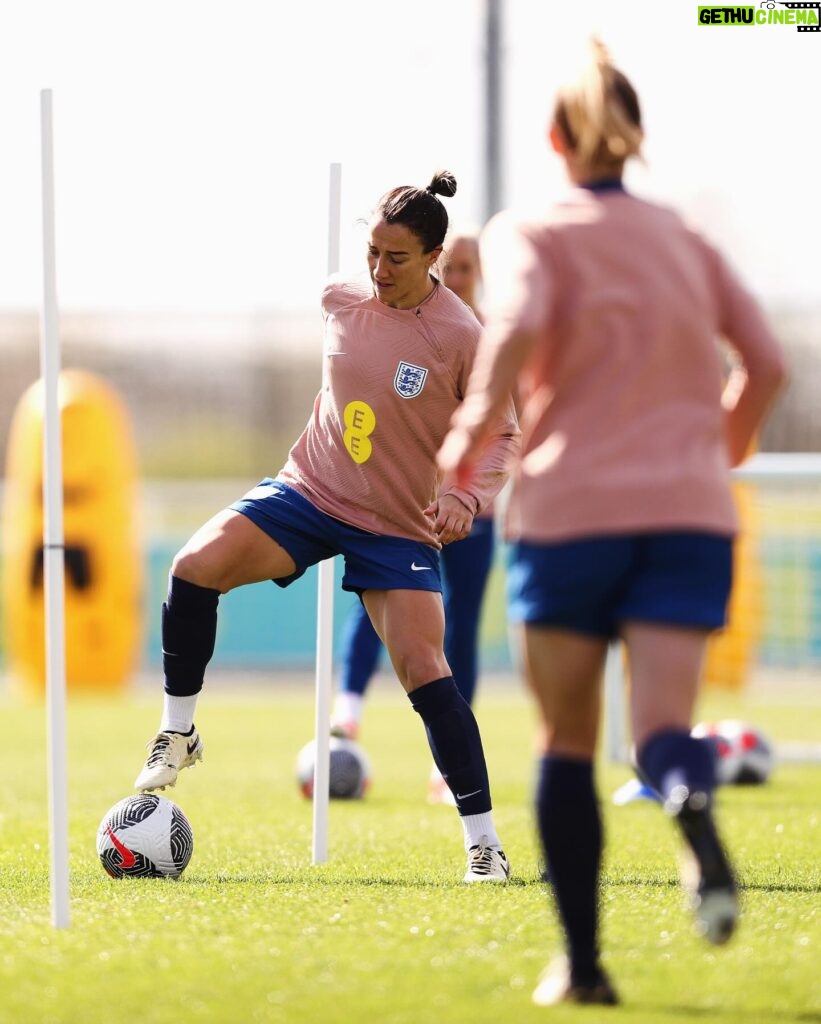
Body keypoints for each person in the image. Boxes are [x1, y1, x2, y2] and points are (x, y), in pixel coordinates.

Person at [438, 41, 786, 1003]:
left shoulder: (528, 231)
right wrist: (718, 449)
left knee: (565, 743)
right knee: (661, 730)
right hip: (687, 517)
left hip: (571, 514)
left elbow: (511, 328)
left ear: (553, 138)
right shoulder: (687, 239)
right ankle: (688, 800)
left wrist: (470, 427)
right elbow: (764, 363)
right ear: (633, 138)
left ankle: (584, 969)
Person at [134, 170, 521, 883]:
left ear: (434, 256)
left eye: (396, 258)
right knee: (193, 566)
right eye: (372, 252)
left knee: (424, 670)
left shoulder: (461, 336)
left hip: (395, 524)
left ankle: (484, 846)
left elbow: (500, 433)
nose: (378, 270)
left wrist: (465, 497)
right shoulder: (339, 299)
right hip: (309, 492)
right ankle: (178, 732)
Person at [330, 231, 498, 806]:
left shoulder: (489, 338)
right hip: (404, 501)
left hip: (472, 512)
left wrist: (469, 494)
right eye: (453, 265)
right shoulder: (406, 318)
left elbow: (506, 428)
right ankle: (346, 714)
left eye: (470, 267)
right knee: (378, 596)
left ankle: (446, 768)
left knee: (458, 628)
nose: (458, 275)